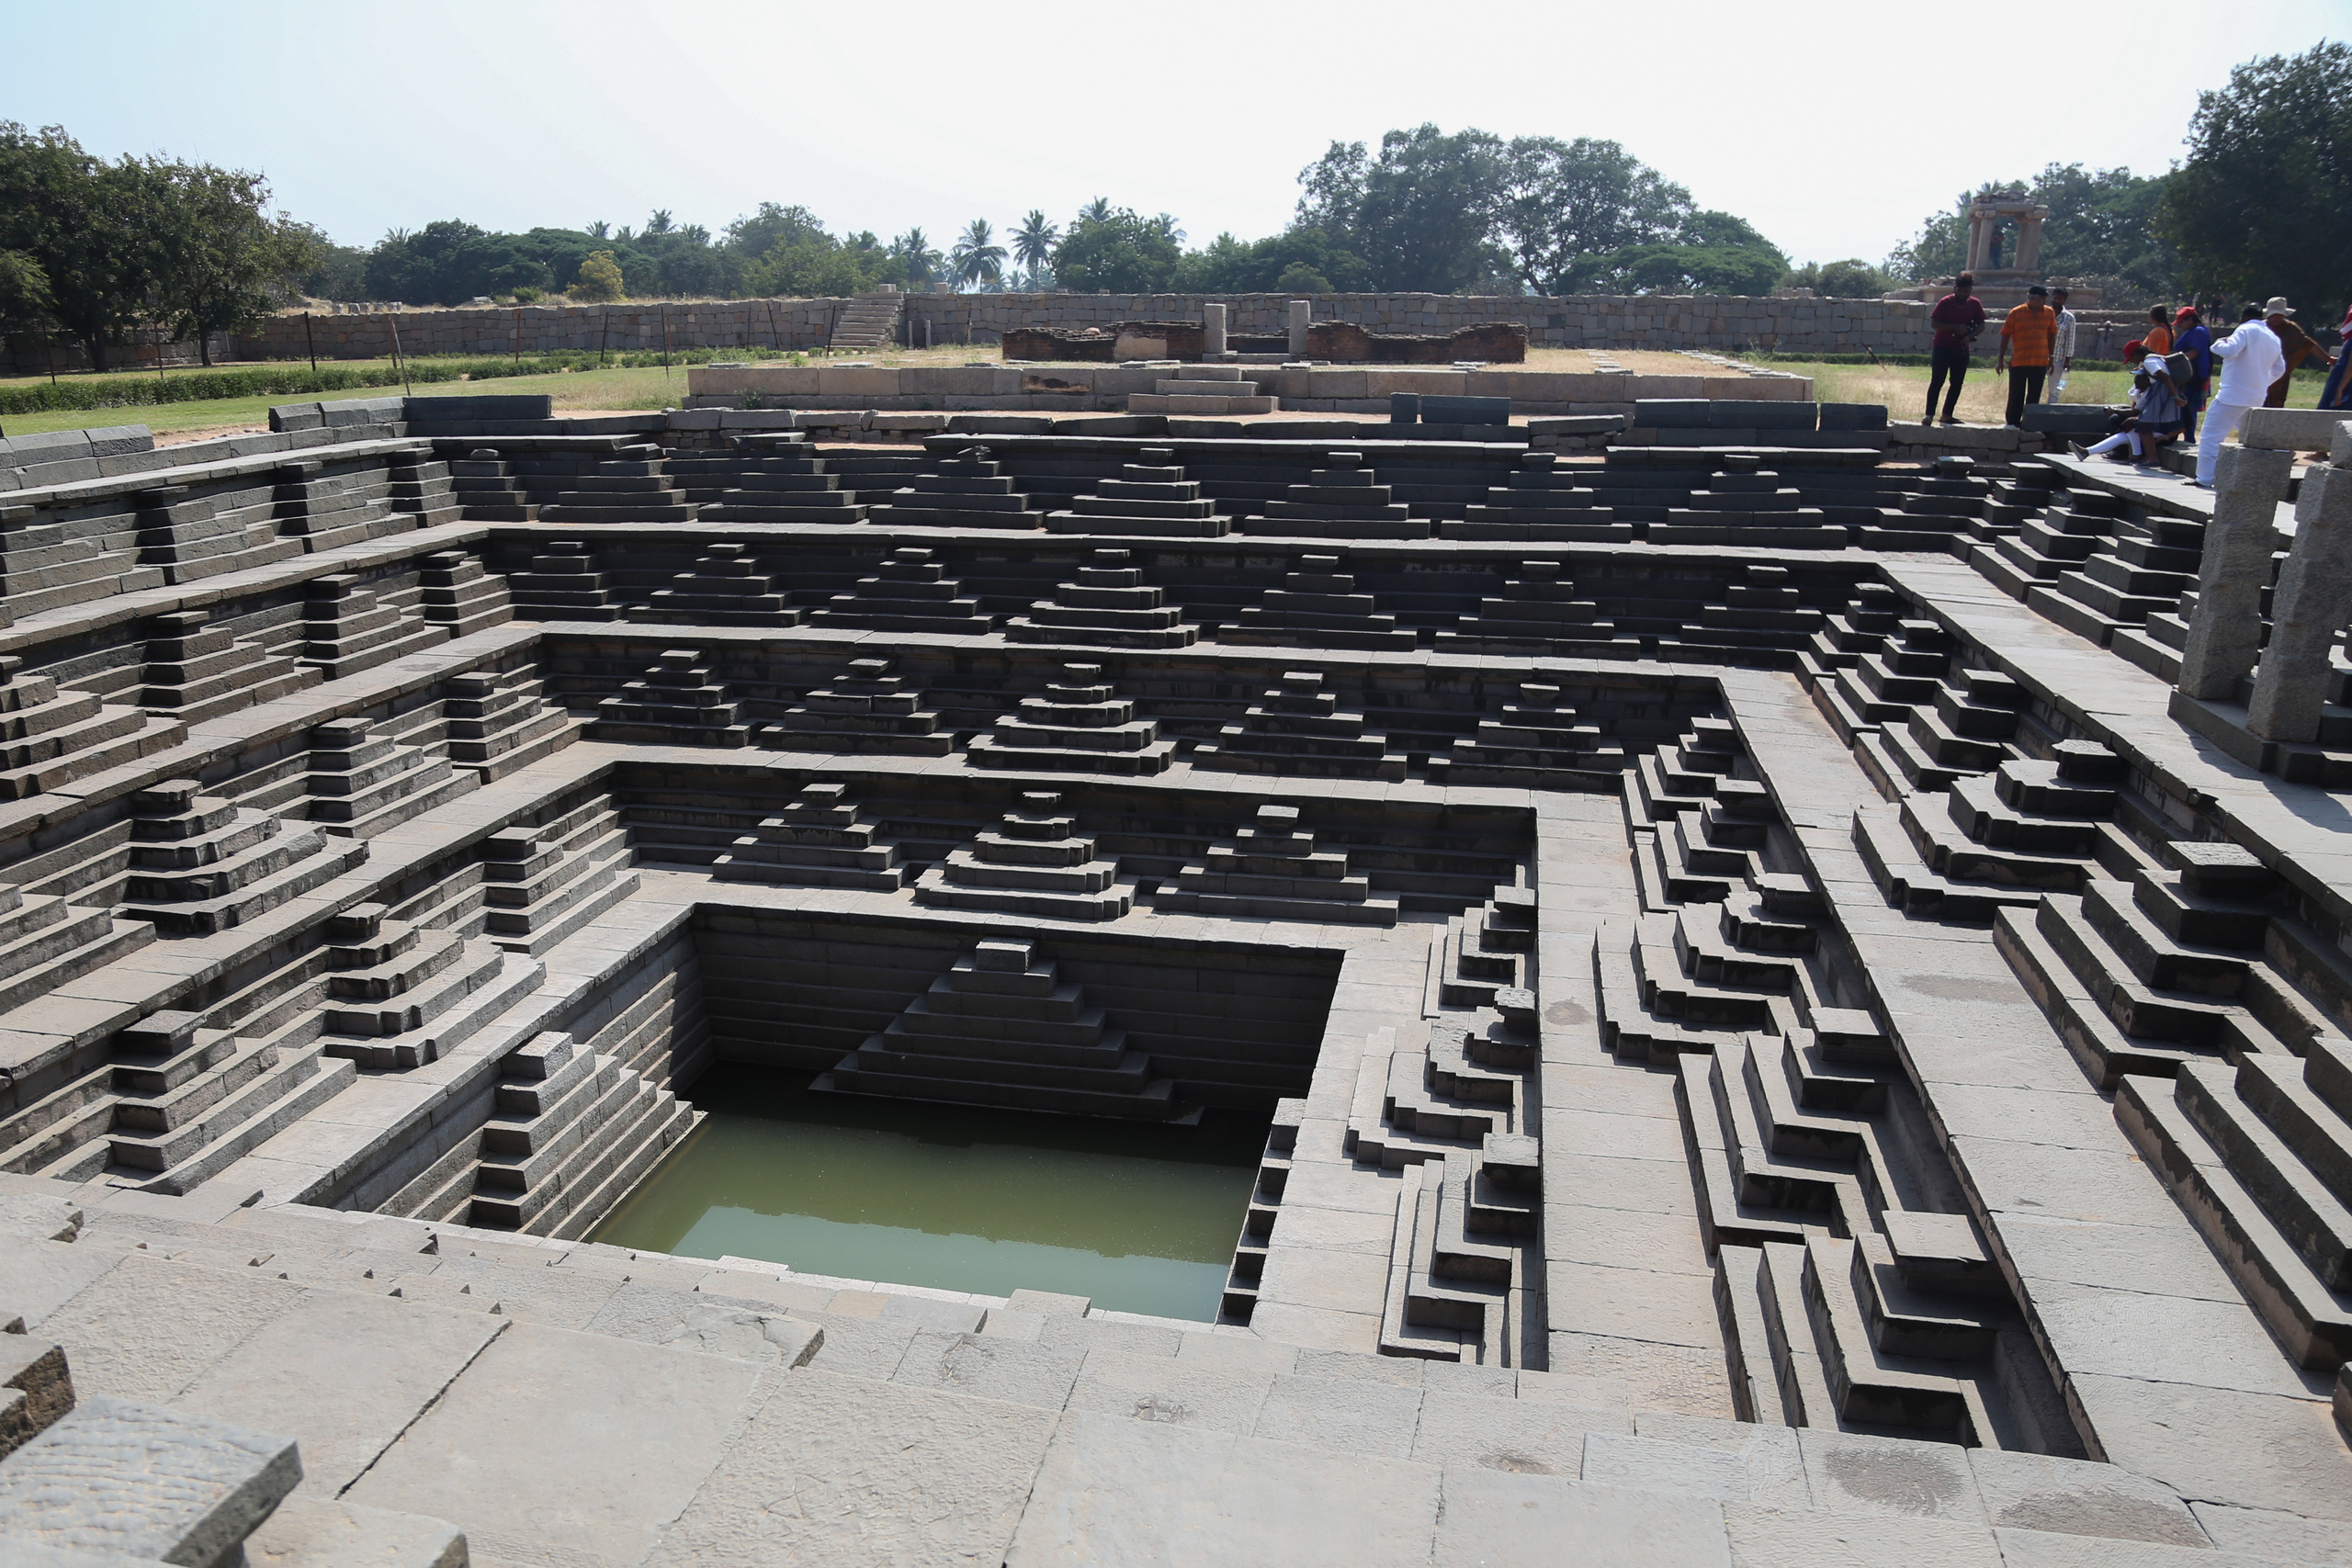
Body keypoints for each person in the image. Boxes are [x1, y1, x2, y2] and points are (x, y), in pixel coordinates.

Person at [2196, 304, 2285, 487]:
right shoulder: (2272, 337)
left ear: (2244, 316)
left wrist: (2217, 343)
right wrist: (2260, 382)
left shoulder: (2245, 329)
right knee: (2252, 438)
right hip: (2256, 396)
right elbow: (2279, 369)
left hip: (2232, 395)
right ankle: (2267, 469)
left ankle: (2205, 479)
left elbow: (2229, 351)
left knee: (2211, 436)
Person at [1924, 272, 1986, 425]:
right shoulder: (1946, 302)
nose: (1962, 294)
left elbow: (1981, 324)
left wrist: (1969, 336)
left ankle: (1947, 414)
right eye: (1959, 290)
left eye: (1965, 291)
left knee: (1957, 382)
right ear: (1954, 288)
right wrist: (1955, 327)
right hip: (1942, 346)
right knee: (1937, 380)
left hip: (1961, 348)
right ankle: (1929, 415)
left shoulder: (1974, 303)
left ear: (1970, 290)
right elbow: (1934, 324)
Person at [1996, 284, 2059, 425]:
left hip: (2040, 361)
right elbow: (2005, 335)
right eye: (2041, 298)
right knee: (2016, 395)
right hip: (2019, 361)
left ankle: (2029, 422)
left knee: (2034, 396)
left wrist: (2051, 358)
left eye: (2044, 299)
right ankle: (2012, 423)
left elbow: (2052, 335)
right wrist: (2000, 359)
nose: (2043, 301)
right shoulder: (2016, 312)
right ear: (2031, 298)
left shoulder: (2049, 313)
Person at [2264, 297, 2334, 408]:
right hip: (2259, 374)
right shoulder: (2260, 328)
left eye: (2279, 315)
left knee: (2274, 407)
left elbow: (2308, 345)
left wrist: (2328, 359)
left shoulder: (2291, 329)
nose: (2276, 318)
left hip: (2280, 377)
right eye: (2273, 315)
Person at [2173, 306, 2213, 439]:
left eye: (2182, 321)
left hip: (2194, 377)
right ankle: (2188, 437)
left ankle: (2189, 439)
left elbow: (2194, 352)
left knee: (2188, 409)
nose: (2180, 325)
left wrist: (2175, 359)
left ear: (2190, 319)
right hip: (2188, 376)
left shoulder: (2198, 332)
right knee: (2185, 408)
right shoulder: (2193, 331)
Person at [2046, 287, 2077, 403]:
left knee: (2055, 390)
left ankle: (2051, 413)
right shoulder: (2044, 313)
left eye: (2060, 299)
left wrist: (2067, 360)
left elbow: (2070, 340)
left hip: (2058, 359)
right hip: (2040, 357)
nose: (2057, 301)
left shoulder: (2069, 318)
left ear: (2064, 300)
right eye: (2055, 298)